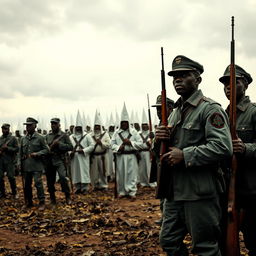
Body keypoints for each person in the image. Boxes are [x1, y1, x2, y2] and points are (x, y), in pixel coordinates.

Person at [156, 55, 233, 255]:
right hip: (175, 191)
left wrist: (185, 155)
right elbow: (166, 151)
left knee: (204, 247)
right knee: (169, 241)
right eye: (174, 77)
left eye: (184, 75)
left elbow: (223, 147)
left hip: (200, 192)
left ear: (197, 79)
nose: (177, 80)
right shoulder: (174, 112)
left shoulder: (209, 109)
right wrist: (158, 140)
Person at [219, 64, 256, 255]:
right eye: (225, 83)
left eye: (235, 82)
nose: (228, 87)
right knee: (226, 242)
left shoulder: (254, 112)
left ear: (246, 85)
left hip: (251, 189)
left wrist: (246, 148)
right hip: (226, 188)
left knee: (254, 240)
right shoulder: (221, 115)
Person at [150, 95, 174, 225]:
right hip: (160, 163)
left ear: (170, 108)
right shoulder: (160, 124)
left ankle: (168, 217)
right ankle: (164, 215)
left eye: (161, 109)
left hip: (171, 162)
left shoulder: (174, 121)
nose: (159, 112)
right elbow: (155, 147)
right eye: (157, 110)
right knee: (162, 191)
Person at [111, 103, 143, 199]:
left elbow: (140, 143)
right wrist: (117, 148)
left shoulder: (134, 132)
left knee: (131, 174)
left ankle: (132, 192)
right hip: (120, 156)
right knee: (121, 174)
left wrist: (131, 143)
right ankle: (122, 192)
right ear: (120, 123)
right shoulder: (116, 133)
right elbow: (112, 144)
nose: (124, 124)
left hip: (131, 156)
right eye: (122, 122)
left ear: (128, 122)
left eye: (126, 122)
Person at [20, 117, 49, 210]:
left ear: (35, 126)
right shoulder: (23, 139)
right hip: (26, 165)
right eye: (26, 125)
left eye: (29, 125)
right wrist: (19, 163)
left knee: (38, 183)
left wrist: (38, 153)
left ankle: (42, 202)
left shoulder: (40, 137)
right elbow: (20, 153)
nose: (27, 127)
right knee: (27, 184)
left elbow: (47, 150)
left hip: (37, 165)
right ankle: (29, 202)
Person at [45, 118, 73, 205]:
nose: (53, 125)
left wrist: (59, 144)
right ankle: (52, 198)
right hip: (49, 160)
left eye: (55, 124)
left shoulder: (64, 136)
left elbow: (70, 147)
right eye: (52, 124)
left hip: (60, 159)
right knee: (50, 180)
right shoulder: (47, 136)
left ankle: (67, 196)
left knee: (63, 178)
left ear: (59, 125)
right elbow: (45, 147)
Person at [69, 111, 94, 194]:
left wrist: (83, 150)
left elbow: (92, 146)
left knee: (84, 172)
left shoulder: (87, 136)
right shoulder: (71, 137)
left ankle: (85, 188)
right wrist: (70, 153)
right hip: (74, 158)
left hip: (83, 157)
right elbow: (68, 147)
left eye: (80, 127)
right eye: (77, 127)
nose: (78, 129)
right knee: (75, 172)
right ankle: (78, 187)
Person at [90, 111, 111, 191]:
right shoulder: (90, 136)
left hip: (103, 156)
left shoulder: (105, 134)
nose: (97, 128)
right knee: (94, 171)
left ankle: (104, 185)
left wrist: (101, 143)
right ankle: (95, 185)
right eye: (96, 126)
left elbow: (109, 144)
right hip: (94, 156)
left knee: (103, 171)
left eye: (98, 126)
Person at [0, 124, 19, 199]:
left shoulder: (13, 139)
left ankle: (14, 193)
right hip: (1, 161)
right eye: (3, 129)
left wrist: (7, 148)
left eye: (5, 129)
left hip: (9, 161)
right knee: (0, 177)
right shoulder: (0, 138)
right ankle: (2, 193)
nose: (4, 130)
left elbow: (17, 149)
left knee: (11, 177)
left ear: (8, 129)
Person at [138, 109, 156, 187]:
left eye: (146, 124)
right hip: (141, 152)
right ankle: (143, 183)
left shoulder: (151, 133)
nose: (145, 126)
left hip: (149, 153)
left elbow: (155, 142)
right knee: (142, 169)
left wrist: (151, 143)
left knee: (149, 168)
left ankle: (152, 183)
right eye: (143, 124)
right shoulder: (138, 134)